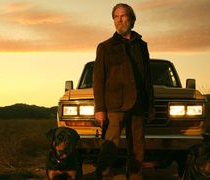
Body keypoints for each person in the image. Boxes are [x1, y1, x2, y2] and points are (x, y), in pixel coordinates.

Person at [93, 3, 154, 180]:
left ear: (132, 19)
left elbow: (147, 78)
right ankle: (103, 176)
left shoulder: (142, 46)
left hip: (138, 105)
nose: (119, 20)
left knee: (137, 148)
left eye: (123, 16)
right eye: (116, 17)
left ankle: (135, 176)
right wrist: (100, 108)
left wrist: (150, 106)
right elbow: (98, 80)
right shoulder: (105, 47)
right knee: (110, 145)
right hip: (114, 106)